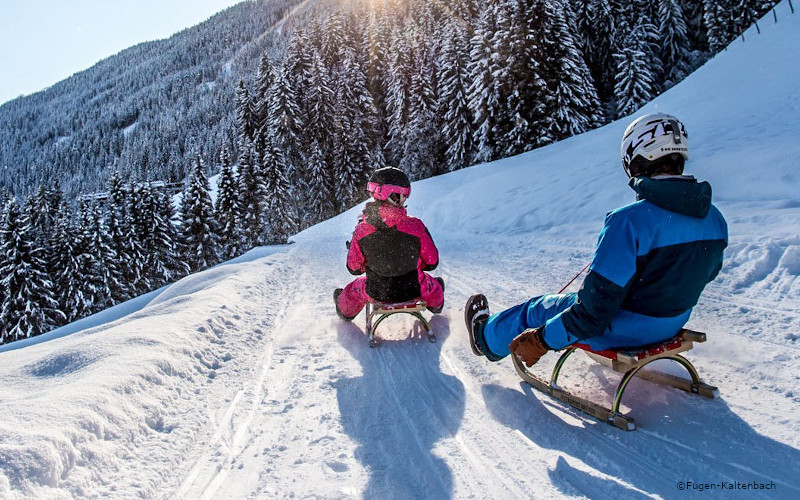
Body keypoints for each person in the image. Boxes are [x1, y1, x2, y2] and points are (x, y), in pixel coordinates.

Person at [465, 113, 728, 367]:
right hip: (670, 325)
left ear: (636, 159)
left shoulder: (628, 221)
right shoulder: (715, 219)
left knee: (538, 309)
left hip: (619, 331)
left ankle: (485, 339)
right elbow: (704, 274)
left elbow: (593, 312)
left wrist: (541, 339)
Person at [334, 167, 444, 320]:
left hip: (377, 292)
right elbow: (432, 262)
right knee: (431, 285)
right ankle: (436, 304)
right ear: (392, 196)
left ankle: (345, 311)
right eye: (403, 196)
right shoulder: (416, 226)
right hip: (413, 289)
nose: (404, 200)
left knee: (356, 288)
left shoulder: (362, 231)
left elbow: (354, 268)